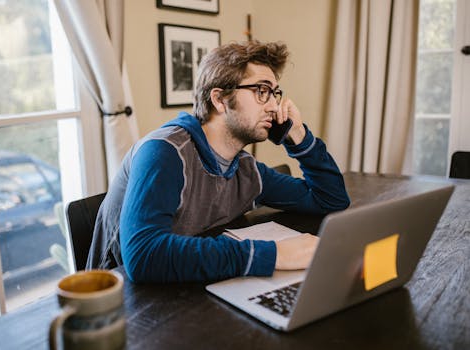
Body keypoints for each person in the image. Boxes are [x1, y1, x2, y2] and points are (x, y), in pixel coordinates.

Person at [87, 40, 350, 282]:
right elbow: (143, 255)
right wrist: (274, 254)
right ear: (220, 99)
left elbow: (330, 199)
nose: (273, 106)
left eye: (274, 93)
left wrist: (300, 137)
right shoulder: (163, 153)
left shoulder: (246, 170)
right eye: (261, 91)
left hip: (190, 288)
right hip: (123, 305)